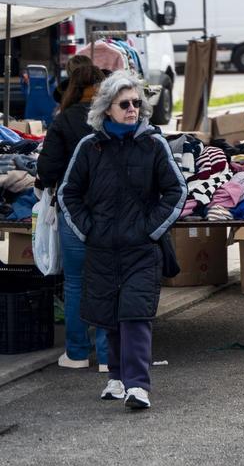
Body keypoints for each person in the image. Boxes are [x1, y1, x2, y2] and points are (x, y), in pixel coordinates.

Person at [59, 72, 186, 411]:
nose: (133, 109)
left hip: (142, 249)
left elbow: (177, 190)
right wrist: (89, 229)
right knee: (109, 315)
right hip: (102, 247)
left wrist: (150, 229)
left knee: (135, 315)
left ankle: (138, 385)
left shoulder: (153, 143)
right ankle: (116, 377)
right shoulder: (89, 147)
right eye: (125, 104)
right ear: (107, 109)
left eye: (137, 103)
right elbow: (67, 192)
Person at [37, 61, 109, 372]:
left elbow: (46, 170)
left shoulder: (64, 120)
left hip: (73, 210)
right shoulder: (114, 117)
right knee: (108, 280)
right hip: (111, 211)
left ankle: (77, 353)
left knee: (76, 282)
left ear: (72, 89)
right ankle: (108, 357)